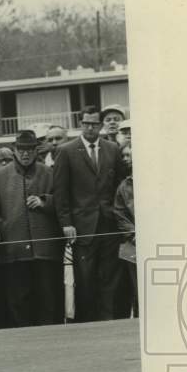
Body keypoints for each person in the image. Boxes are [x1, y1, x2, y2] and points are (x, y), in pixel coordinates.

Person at [50, 106, 123, 323]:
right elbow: (60, 192)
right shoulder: (66, 151)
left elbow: (119, 186)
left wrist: (117, 217)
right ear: (80, 124)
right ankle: (88, 324)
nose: (90, 128)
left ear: (100, 126)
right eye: (86, 124)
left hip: (109, 224)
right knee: (85, 278)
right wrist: (66, 223)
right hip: (82, 226)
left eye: (94, 124)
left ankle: (109, 322)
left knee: (110, 277)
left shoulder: (113, 149)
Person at [0, 130, 65, 327]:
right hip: (14, 252)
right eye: (21, 149)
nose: (25, 154)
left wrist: (45, 202)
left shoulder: (49, 172)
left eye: (29, 149)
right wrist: (5, 232)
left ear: (35, 150)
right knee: (18, 303)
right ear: (14, 150)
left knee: (48, 302)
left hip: (45, 251)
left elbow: (64, 203)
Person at [113, 143, 137, 317]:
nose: (125, 159)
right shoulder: (123, 186)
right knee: (137, 291)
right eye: (124, 156)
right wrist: (134, 235)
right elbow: (120, 214)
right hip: (132, 245)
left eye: (129, 155)